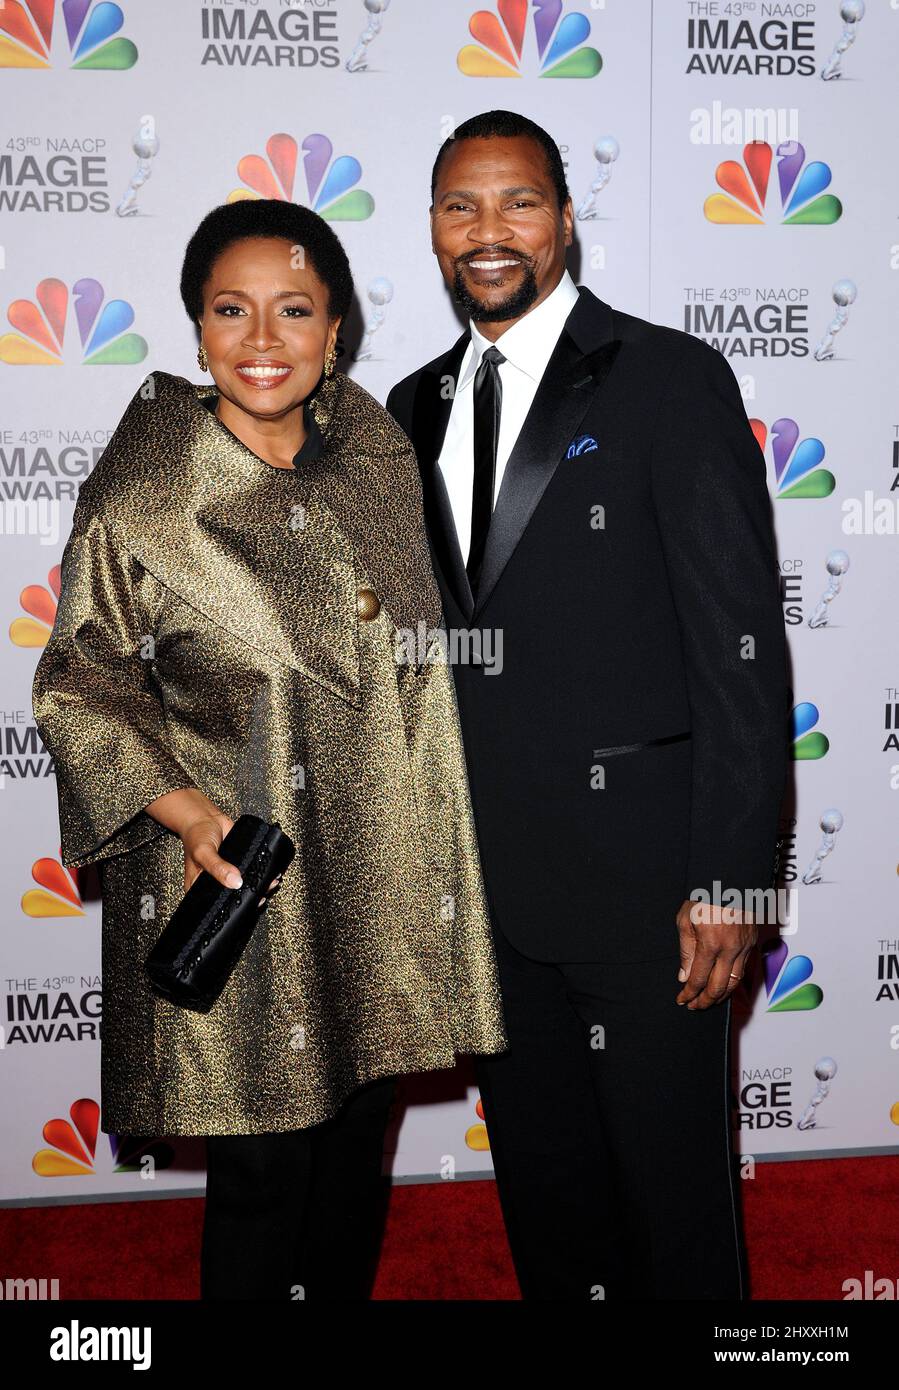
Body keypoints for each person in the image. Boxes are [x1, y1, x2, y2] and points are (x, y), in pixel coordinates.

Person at [31, 198, 507, 1301]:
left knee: (353, 1151)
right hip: (241, 876)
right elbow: (81, 682)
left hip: (377, 874)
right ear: (195, 328)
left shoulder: (377, 455)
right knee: (261, 1166)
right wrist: (194, 818)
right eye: (229, 310)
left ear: (334, 328)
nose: (260, 339)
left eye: (293, 310)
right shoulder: (142, 495)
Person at [386, 110, 789, 1300]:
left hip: (652, 895)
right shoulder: (407, 409)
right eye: (461, 206)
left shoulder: (667, 376)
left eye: (516, 203)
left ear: (564, 219)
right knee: (551, 1219)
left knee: (677, 1225)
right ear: (431, 232)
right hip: (489, 906)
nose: (488, 230)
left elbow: (741, 651)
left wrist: (735, 879)